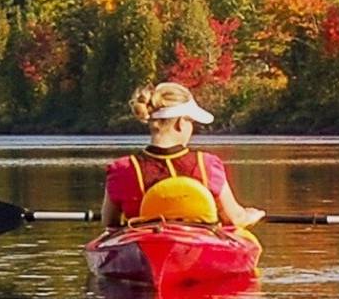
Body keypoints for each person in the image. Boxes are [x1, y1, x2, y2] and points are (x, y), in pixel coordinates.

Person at [102, 80, 264, 231]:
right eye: (191, 122)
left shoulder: (122, 169)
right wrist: (251, 216)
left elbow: (110, 223)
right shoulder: (206, 164)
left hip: (143, 245)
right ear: (181, 122)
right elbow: (234, 219)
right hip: (198, 247)